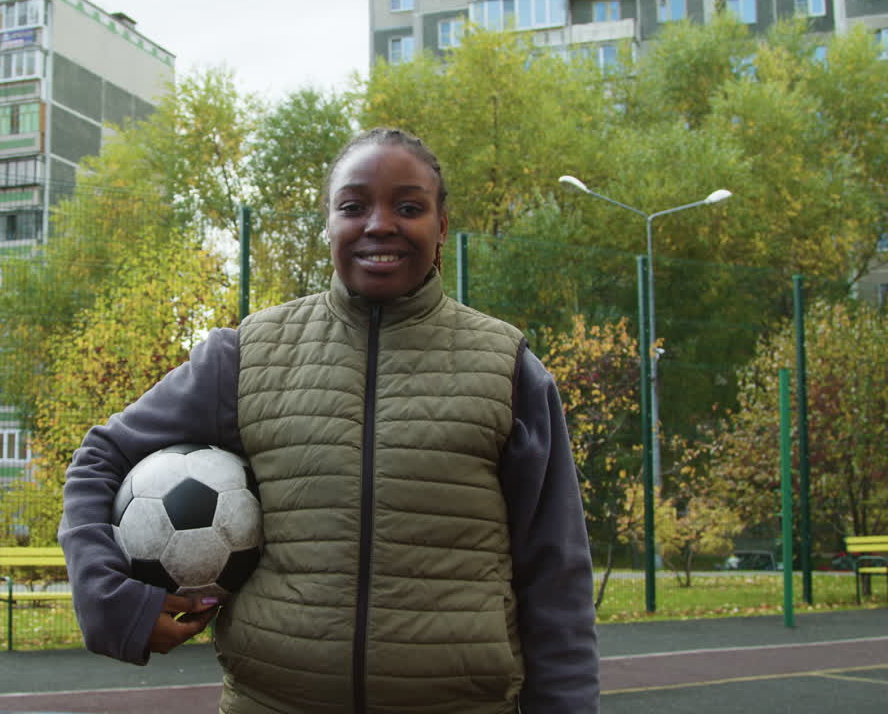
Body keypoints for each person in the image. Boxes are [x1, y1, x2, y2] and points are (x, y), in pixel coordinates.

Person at [59, 128, 599, 713]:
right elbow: (101, 457)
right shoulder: (245, 356)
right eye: (353, 206)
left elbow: (556, 573)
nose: (380, 224)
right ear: (328, 224)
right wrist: (109, 599)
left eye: (410, 207)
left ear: (442, 227)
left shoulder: (508, 370)